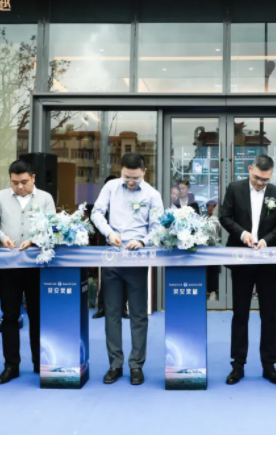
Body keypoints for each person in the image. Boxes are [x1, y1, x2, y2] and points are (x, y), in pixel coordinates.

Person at [91, 153, 163, 385]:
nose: (131, 182)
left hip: (137, 260)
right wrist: (108, 232)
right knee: (112, 313)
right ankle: (115, 364)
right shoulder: (111, 187)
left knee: (138, 314)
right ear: (120, 171)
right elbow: (96, 212)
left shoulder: (152, 194)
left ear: (144, 172)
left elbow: (158, 226)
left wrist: (143, 241)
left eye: (135, 178)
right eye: (126, 177)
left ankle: (136, 365)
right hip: (112, 256)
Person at [219, 154, 276, 385]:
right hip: (242, 259)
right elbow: (224, 216)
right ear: (250, 169)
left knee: (269, 315)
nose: (260, 183)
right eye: (257, 178)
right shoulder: (234, 188)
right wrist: (242, 233)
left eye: (265, 180)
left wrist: (266, 240)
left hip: (267, 260)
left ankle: (269, 365)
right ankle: (237, 365)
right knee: (240, 314)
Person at [0, 160, 56, 384]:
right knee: (9, 315)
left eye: (24, 182)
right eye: (15, 182)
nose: (19, 186)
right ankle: (11, 366)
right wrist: (2, 237)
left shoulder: (45, 198)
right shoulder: (0, 197)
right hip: (9, 266)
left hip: (36, 266)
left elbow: (52, 226)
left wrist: (34, 240)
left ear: (33, 178)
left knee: (37, 314)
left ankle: (39, 363)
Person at [93, 174, 129, 320]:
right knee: (106, 278)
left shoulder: (124, 203)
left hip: (123, 245)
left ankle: (123, 308)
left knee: (125, 277)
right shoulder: (101, 204)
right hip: (106, 245)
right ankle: (102, 307)